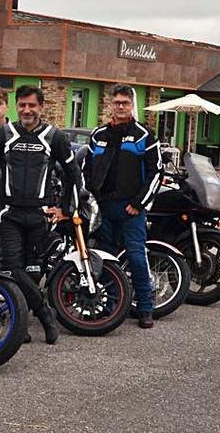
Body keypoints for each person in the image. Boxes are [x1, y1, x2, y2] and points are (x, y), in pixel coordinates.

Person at [0, 84, 83, 345]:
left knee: (32, 272)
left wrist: (67, 208)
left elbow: (73, 174)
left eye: (32, 105)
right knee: (12, 267)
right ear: (17, 106)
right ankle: (45, 315)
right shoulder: (4, 133)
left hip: (39, 215)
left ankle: (21, 325)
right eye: (22, 105)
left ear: (41, 107)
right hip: (9, 213)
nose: (27, 110)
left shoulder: (54, 137)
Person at [82, 84, 163, 329]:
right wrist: (89, 200)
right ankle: (109, 307)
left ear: (131, 106)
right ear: (110, 104)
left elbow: (156, 172)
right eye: (116, 102)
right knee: (104, 259)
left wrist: (139, 204)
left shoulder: (144, 135)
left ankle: (146, 309)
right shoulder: (98, 135)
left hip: (131, 210)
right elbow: (86, 170)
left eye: (125, 103)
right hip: (103, 210)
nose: (120, 107)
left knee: (137, 258)